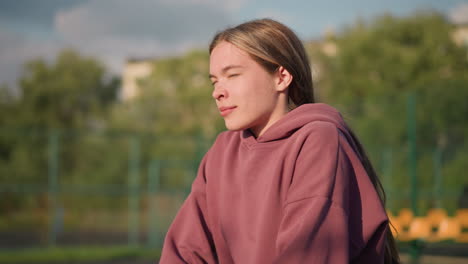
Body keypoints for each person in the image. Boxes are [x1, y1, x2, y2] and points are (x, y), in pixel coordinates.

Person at [159, 18, 400, 264]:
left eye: (232, 75)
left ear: (281, 77)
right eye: (214, 80)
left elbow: (310, 254)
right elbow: (185, 252)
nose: (217, 91)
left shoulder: (318, 140)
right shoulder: (222, 152)